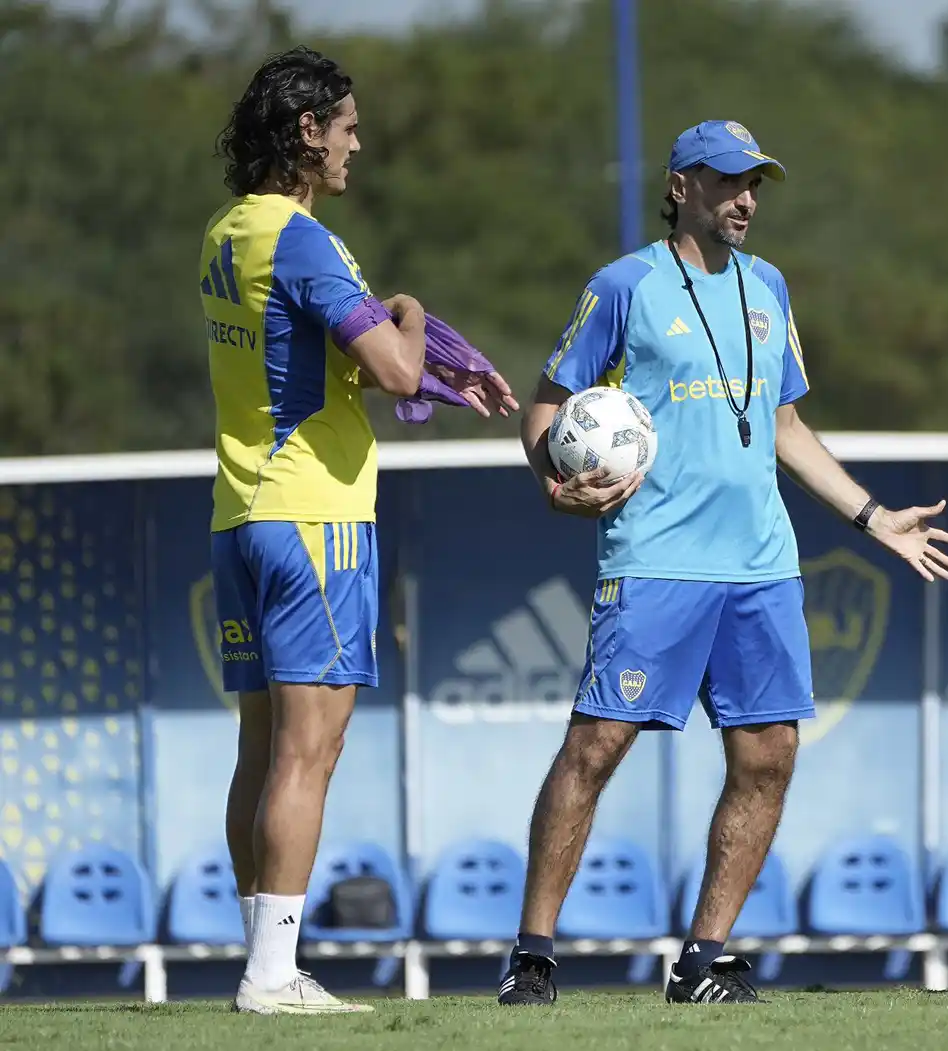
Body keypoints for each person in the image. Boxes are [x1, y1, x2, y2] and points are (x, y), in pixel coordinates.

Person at [497, 120, 948, 1006]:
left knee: (769, 755)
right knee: (595, 747)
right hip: (656, 559)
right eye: (727, 181)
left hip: (762, 565)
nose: (745, 199)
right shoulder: (623, 286)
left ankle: (703, 959)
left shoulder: (768, 286)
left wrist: (874, 518)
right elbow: (546, 410)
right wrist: (556, 481)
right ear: (681, 187)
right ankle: (533, 954)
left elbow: (785, 426)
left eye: (755, 184)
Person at [205, 46, 515, 1015]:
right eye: (346, 127)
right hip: (315, 517)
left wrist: (420, 358)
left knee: (262, 749)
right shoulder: (305, 240)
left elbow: (308, 355)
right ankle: (271, 974)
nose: (356, 145)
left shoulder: (226, 232)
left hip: (241, 513)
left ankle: (261, 959)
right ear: (307, 131)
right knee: (310, 751)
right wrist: (411, 312)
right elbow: (391, 367)